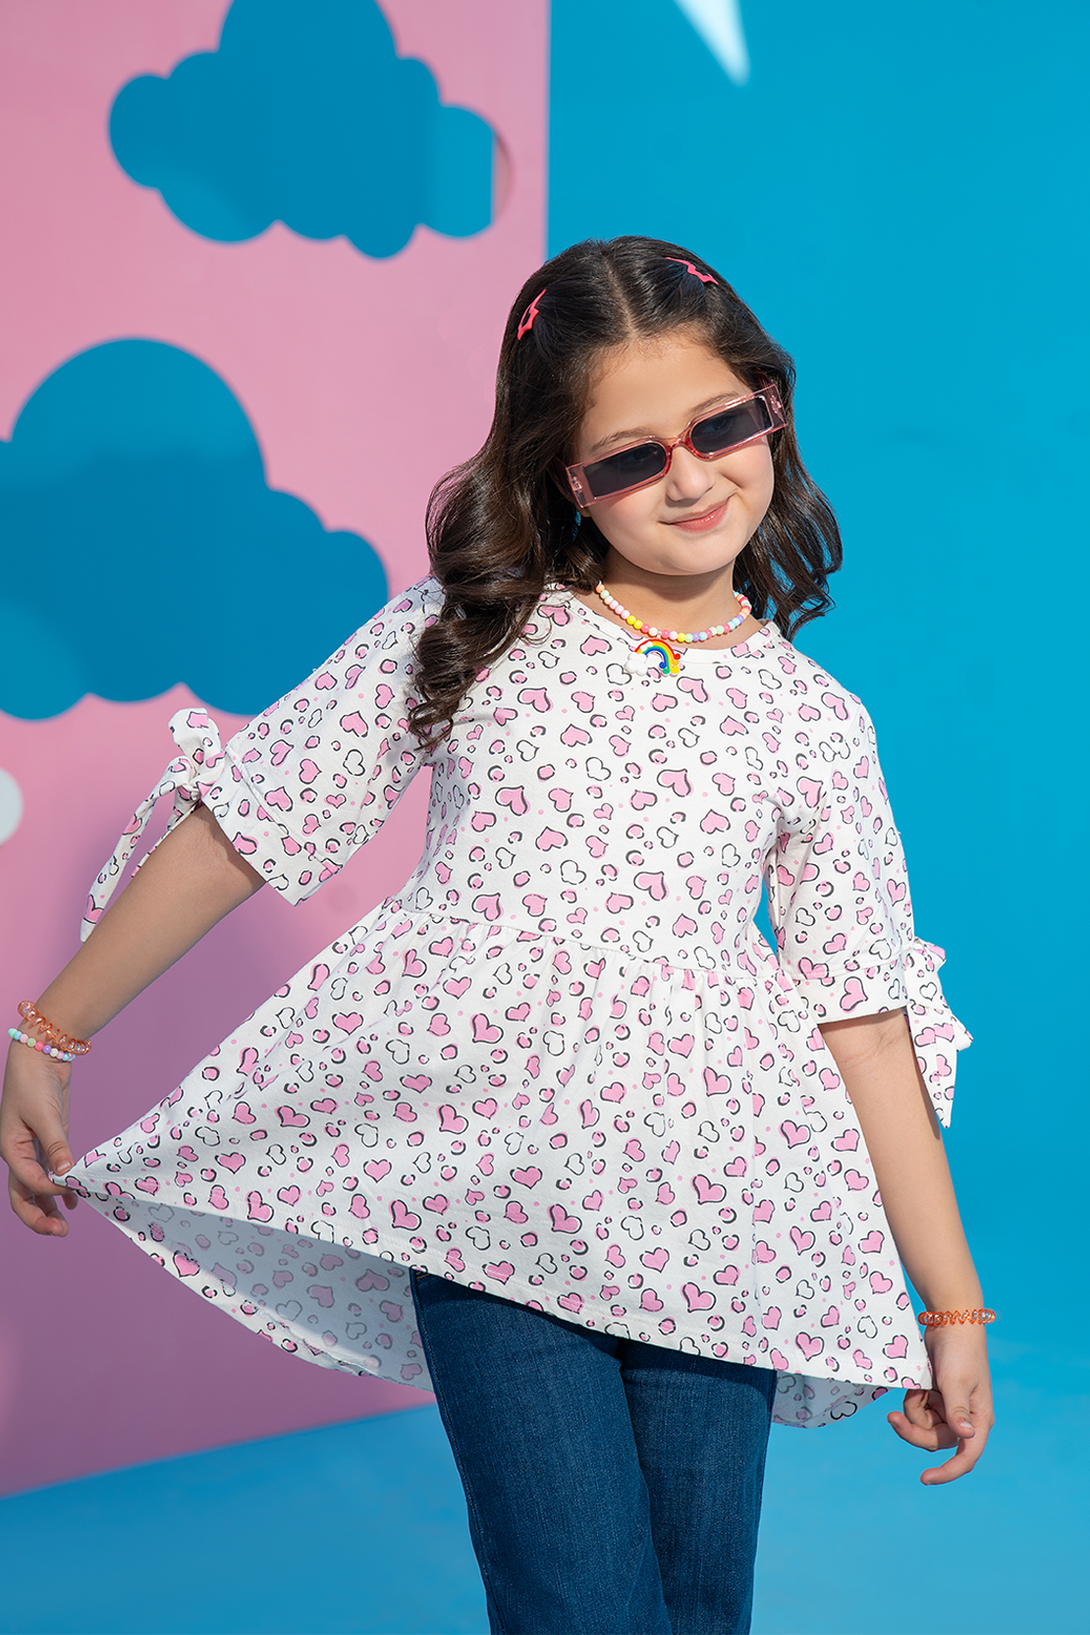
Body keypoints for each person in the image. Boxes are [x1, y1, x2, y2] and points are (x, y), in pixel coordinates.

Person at [1, 236, 993, 1635]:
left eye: (721, 426)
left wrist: (949, 1311)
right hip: (487, 1194)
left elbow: (866, 1020)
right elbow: (249, 827)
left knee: (697, 1607)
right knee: (574, 1600)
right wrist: (49, 1033)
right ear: (561, 476)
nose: (691, 478)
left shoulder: (815, 723)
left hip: (725, 1208)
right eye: (631, 456)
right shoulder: (475, 632)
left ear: (770, 408)